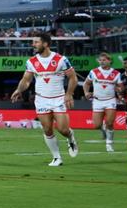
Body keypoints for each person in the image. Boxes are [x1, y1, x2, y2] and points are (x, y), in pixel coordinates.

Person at [10, 32, 78, 167]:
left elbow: (73, 77)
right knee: (47, 129)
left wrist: (69, 94)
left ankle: (71, 137)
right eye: (33, 42)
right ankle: (57, 158)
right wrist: (19, 90)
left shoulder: (60, 59)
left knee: (63, 129)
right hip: (41, 99)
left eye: (36, 42)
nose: (33, 45)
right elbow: (26, 80)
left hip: (58, 99)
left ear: (45, 44)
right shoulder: (31, 62)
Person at [82, 52, 121, 153]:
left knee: (110, 123)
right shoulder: (93, 72)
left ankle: (109, 143)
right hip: (97, 101)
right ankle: (103, 131)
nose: (102, 62)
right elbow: (86, 83)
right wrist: (86, 92)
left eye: (104, 60)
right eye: (100, 60)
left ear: (109, 61)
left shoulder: (116, 74)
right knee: (96, 125)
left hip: (110, 100)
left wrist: (120, 90)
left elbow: (120, 87)